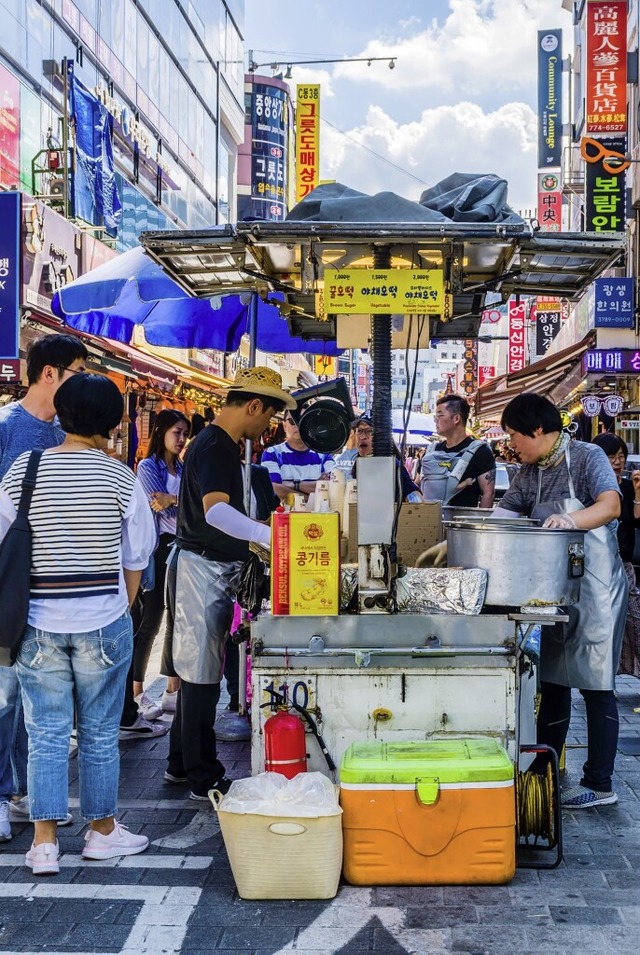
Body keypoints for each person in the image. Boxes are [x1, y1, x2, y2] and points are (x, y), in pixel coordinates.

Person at [0, 373, 156, 874]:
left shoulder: (25, 469)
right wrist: (122, 606)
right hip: (102, 619)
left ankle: (44, 843)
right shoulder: (120, 477)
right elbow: (137, 555)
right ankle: (101, 832)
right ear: (114, 423)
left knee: (44, 731)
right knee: (98, 732)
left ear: (62, 415)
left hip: (38, 621)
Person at [165, 367, 293, 801]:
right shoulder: (216, 444)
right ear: (253, 406)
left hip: (208, 567)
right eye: (269, 417)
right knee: (200, 675)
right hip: (202, 568)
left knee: (197, 669)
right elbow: (216, 512)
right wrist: (265, 535)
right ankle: (204, 777)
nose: (268, 427)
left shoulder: (217, 443)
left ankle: (181, 762)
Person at [495, 392, 627, 809]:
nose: (513, 444)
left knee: (596, 684)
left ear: (538, 430)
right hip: (554, 591)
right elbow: (504, 516)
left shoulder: (588, 457)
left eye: (516, 435)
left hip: (597, 588)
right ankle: (542, 774)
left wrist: (571, 519)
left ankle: (600, 784)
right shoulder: (528, 472)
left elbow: (610, 505)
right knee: (553, 680)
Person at [0, 333, 87, 845]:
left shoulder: (64, 435)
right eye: (79, 369)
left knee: (39, 698)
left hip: (52, 589)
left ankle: (30, 793)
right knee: (5, 697)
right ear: (50, 374)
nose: (86, 380)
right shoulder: (9, 429)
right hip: (9, 583)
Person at [134, 410, 190, 716]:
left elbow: (186, 504)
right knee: (150, 619)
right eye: (176, 432)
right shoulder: (148, 466)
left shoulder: (182, 466)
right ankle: (137, 692)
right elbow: (158, 505)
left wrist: (175, 499)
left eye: (184, 433)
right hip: (157, 548)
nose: (181, 439)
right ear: (161, 432)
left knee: (178, 620)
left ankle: (172, 689)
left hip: (181, 546)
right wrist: (176, 501)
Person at [592, 433, 640, 679]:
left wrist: (638, 495)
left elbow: (634, 521)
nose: (617, 462)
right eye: (611, 456)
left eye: (621, 456)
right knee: (603, 622)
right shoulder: (593, 485)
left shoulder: (628, 485)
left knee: (633, 618)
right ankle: (605, 674)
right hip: (597, 564)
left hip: (624, 563)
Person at [420, 394, 495, 507]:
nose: (436, 420)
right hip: (428, 521)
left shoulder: (481, 452)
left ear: (456, 418)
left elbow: (488, 494)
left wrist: (481, 523)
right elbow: (418, 483)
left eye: (440, 415)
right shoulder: (431, 450)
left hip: (460, 522)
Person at [330, 413, 422, 502]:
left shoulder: (392, 466)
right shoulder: (358, 462)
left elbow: (413, 494)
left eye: (369, 431)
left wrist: (417, 504)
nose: (362, 437)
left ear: (382, 436)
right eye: (359, 430)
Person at [260, 409, 332, 501]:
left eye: (302, 420)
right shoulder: (272, 453)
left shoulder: (323, 454)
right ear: (284, 425)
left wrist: (291, 485)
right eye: (292, 421)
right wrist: (312, 498)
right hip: (284, 515)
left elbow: (333, 487)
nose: (297, 425)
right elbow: (274, 489)